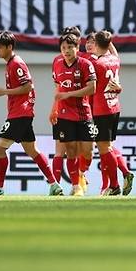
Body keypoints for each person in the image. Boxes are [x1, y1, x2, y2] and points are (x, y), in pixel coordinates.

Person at [0, 32, 63, 196]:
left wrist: (4, 91)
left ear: (9, 47)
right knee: (32, 150)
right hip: (22, 112)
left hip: (19, 113)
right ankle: (54, 184)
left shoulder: (16, 64)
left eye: (0, 46)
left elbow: (28, 87)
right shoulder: (10, 64)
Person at [50, 33, 97, 196]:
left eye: (70, 47)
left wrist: (69, 94)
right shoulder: (57, 64)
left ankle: (82, 173)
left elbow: (92, 88)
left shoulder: (85, 64)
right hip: (64, 114)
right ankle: (76, 186)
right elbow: (58, 90)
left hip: (84, 113)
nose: (66, 51)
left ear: (77, 48)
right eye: (63, 48)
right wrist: (53, 109)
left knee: (88, 151)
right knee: (70, 150)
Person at [89, 30, 133, 196]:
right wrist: (108, 41)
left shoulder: (97, 64)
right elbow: (113, 51)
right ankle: (121, 177)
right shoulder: (115, 59)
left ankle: (114, 186)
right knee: (107, 146)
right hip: (114, 107)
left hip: (101, 109)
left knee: (104, 148)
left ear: (97, 44)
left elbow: (91, 87)